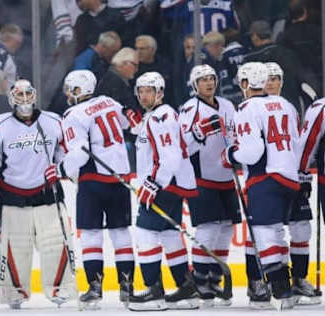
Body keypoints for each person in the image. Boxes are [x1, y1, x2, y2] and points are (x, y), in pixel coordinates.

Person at [0, 79, 76, 309]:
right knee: (15, 247)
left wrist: (64, 172)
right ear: (11, 98)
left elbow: (66, 154)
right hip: (12, 195)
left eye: (27, 93)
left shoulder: (53, 121)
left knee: (56, 244)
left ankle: (60, 288)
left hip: (47, 194)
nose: (24, 99)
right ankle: (14, 292)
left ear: (35, 94)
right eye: (18, 95)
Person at [50, 69, 141, 309]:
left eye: (71, 89)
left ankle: (95, 288)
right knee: (121, 232)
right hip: (120, 176)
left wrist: (60, 170)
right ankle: (127, 286)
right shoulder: (109, 102)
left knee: (91, 234)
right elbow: (129, 124)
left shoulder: (73, 114)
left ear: (79, 90)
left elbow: (79, 154)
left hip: (93, 179)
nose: (68, 94)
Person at [221, 62, 300, 309]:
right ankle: (285, 287)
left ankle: (279, 288)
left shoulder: (246, 107)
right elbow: (296, 143)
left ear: (245, 83)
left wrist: (231, 154)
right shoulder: (286, 104)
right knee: (277, 232)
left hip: (266, 178)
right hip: (290, 177)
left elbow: (253, 153)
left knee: (264, 234)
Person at [128, 72, 198, 311]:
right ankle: (186, 288)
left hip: (164, 185)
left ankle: (153, 291)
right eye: (141, 91)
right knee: (169, 234)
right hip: (171, 184)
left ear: (160, 92)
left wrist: (154, 183)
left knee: (145, 233)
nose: (144, 95)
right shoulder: (156, 116)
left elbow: (169, 155)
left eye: (149, 90)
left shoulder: (161, 116)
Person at [178, 64, 241, 307]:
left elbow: (236, 136)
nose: (209, 83)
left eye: (211, 78)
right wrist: (199, 133)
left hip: (226, 177)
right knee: (207, 228)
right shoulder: (189, 109)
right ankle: (200, 278)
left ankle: (215, 276)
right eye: (203, 80)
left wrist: (237, 153)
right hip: (201, 179)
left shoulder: (227, 106)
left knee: (226, 228)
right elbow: (182, 147)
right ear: (195, 85)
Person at [265, 62, 322, 305]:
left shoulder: (289, 108)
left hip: (292, 176)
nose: (271, 83)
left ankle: (299, 279)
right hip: (266, 179)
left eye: (276, 78)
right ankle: (267, 282)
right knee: (269, 231)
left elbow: (301, 143)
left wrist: (303, 175)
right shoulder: (248, 108)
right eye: (267, 78)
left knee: (301, 229)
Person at [134, 35, 173, 105]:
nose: (138, 52)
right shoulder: (133, 68)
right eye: (136, 48)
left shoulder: (165, 66)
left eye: (142, 49)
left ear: (152, 50)